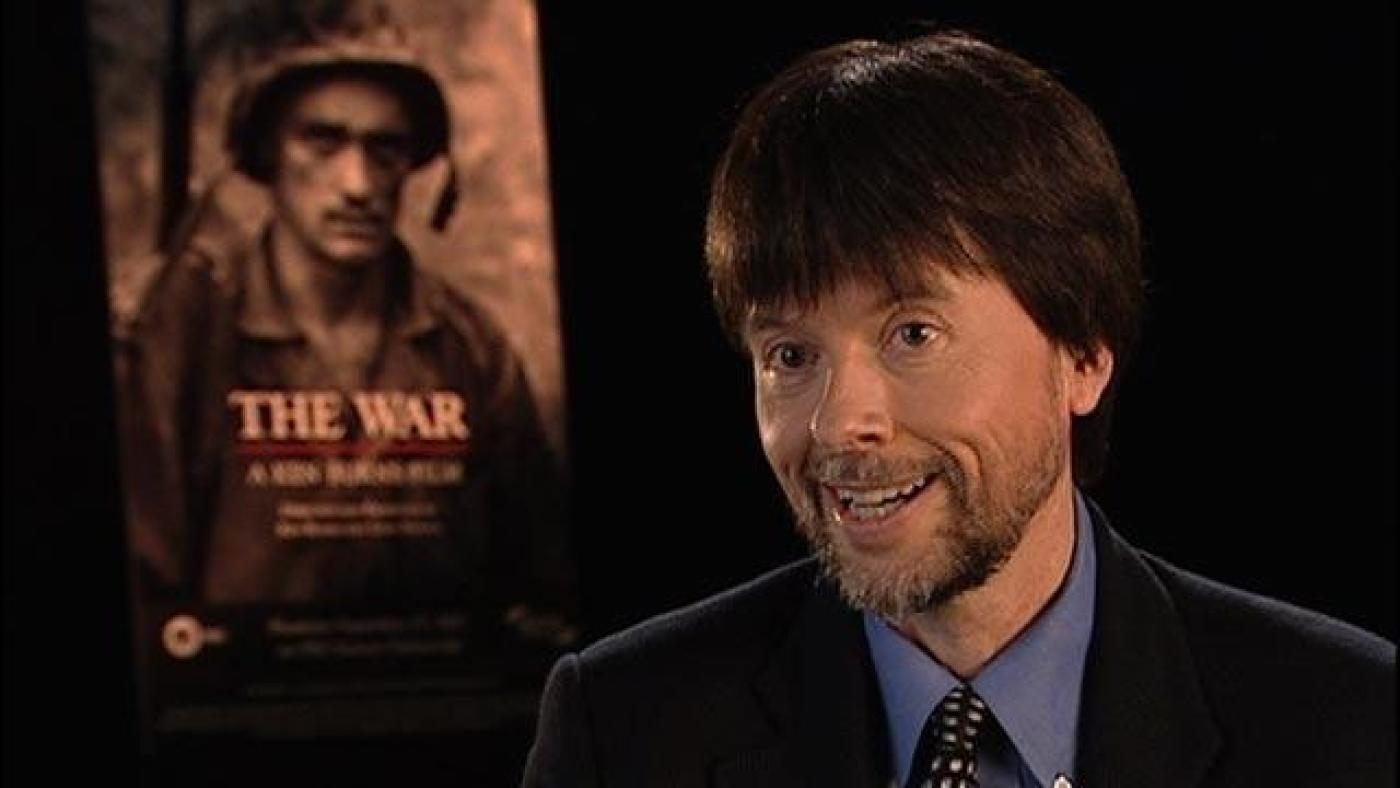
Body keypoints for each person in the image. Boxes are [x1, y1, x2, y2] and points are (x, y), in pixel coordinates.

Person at [522, 30, 1394, 786]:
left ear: (1084, 354)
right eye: (791, 355)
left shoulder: (1349, 725)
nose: (840, 423)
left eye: (913, 335)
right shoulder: (626, 732)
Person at [121, 16, 572, 634]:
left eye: (385, 150)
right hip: (236, 706)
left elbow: (540, 577)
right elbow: (145, 573)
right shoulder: (187, 333)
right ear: (266, 157)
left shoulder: (469, 345)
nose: (358, 185)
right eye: (323, 143)